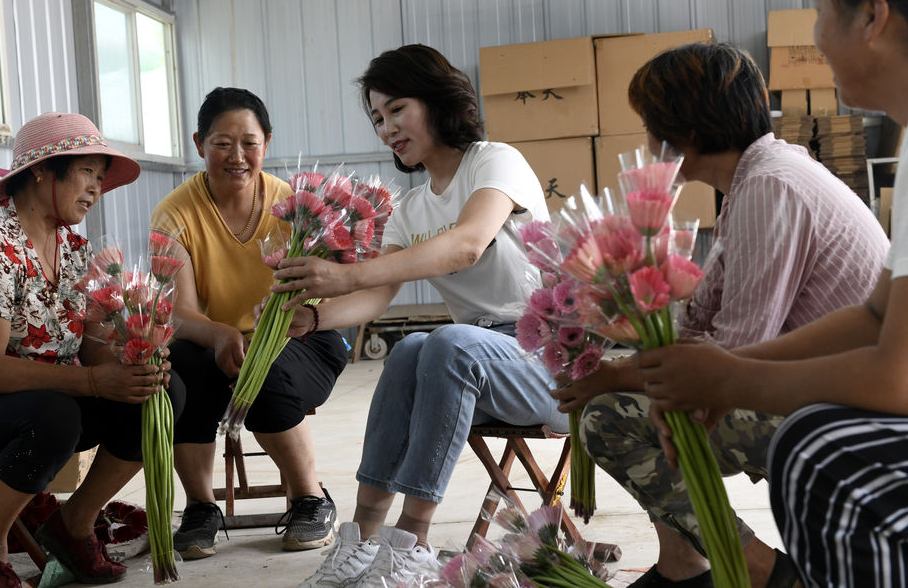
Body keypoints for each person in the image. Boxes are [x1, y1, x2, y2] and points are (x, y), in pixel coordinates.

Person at [552, 42, 889, 588]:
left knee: (609, 418)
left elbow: (731, 357)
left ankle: (760, 570)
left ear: (683, 131)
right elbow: (701, 330)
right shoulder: (760, 177)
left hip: (839, 409)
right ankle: (684, 563)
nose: (646, 146)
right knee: (637, 392)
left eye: (648, 127)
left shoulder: (769, 188)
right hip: (819, 388)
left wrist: (618, 375)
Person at [634, 0, 908, 584]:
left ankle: (754, 570)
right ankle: (697, 563)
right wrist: (706, 367)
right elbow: (876, 314)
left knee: (812, 451)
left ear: (871, 15)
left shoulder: (772, 185)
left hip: (862, 391)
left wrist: (719, 376)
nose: (814, 36)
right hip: (853, 373)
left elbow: (894, 374)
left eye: (819, 7)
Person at [269, 44, 568, 588]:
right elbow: (375, 299)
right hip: (472, 360)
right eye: (377, 118)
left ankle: (413, 544)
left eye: (397, 109)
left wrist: (345, 275)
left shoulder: (494, 161)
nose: (386, 129)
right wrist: (311, 319)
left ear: (436, 101)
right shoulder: (410, 208)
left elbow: (468, 245)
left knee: (448, 343)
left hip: (546, 361)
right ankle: (362, 538)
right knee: (409, 348)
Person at [0, 112, 185, 587]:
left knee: (161, 392)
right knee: (55, 415)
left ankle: (73, 525)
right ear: (40, 170)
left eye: (101, 177)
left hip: (33, 406)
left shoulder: (71, 247)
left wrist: (133, 360)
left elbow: (90, 347)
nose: (96, 188)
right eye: (86, 172)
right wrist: (96, 381)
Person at [149, 87, 348, 558]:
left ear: (267, 143)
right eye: (222, 143)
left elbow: (316, 300)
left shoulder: (297, 210)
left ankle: (309, 498)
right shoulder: (174, 213)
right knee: (177, 368)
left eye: (249, 143)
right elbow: (179, 313)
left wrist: (260, 337)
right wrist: (221, 333)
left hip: (303, 340)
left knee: (266, 367)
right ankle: (201, 508)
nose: (236, 156)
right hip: (214, 347)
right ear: (199, 144)